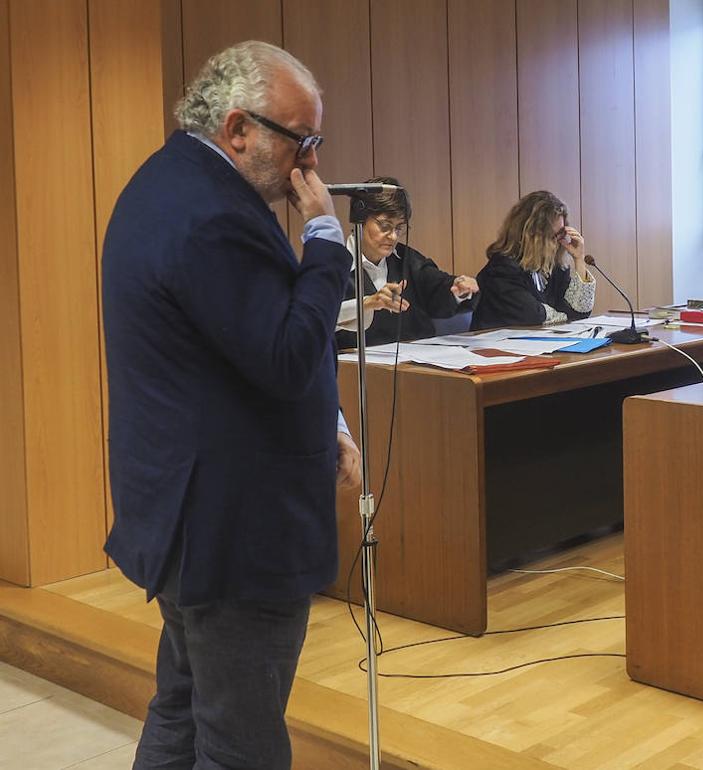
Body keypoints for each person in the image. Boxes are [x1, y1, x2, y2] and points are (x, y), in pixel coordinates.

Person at [100, 41, 361, 769]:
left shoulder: (169, 184)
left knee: (184, 711)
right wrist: (325, 241)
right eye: (299, 141)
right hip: (235, 532)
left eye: (315, 143)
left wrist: (328, 418)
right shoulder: (212, 215)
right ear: (238, 129)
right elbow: (282, 354)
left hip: (191, 520)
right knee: (240, 743)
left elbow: (233, 349)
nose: (309, 163)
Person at [335, 176, 477, 349]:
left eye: (399, 228)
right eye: (385, 226)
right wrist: (369, 302)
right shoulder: (334, 265)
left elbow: (437, 286)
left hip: (416, 365)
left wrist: (459, 288)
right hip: (357, 369)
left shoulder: (407, 259)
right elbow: (323, 316)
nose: (393, 236)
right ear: (360, 220)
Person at [470, 190, 595, 329]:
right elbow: (533, 316)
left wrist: (579, 259)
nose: (556, 243)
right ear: (528, 235)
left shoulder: (554, 267)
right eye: (550, 236)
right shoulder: (501, 270)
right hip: (495, 348)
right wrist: (568, 317)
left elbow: (579, 312)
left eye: (560, 235)